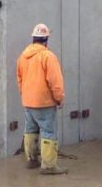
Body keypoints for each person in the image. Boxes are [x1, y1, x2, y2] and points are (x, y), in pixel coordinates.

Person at [15, 23, 67, 174]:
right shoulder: (48, 56)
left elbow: (19, 79)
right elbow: (55, 81)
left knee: (30, 130)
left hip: (28, 101)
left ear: (33, 38)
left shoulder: (23, 57)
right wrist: (59, 98)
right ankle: (49, 166)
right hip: (44, 102)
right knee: (48, 132)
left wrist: (24, 95)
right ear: (46, 40)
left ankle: (32, 160)